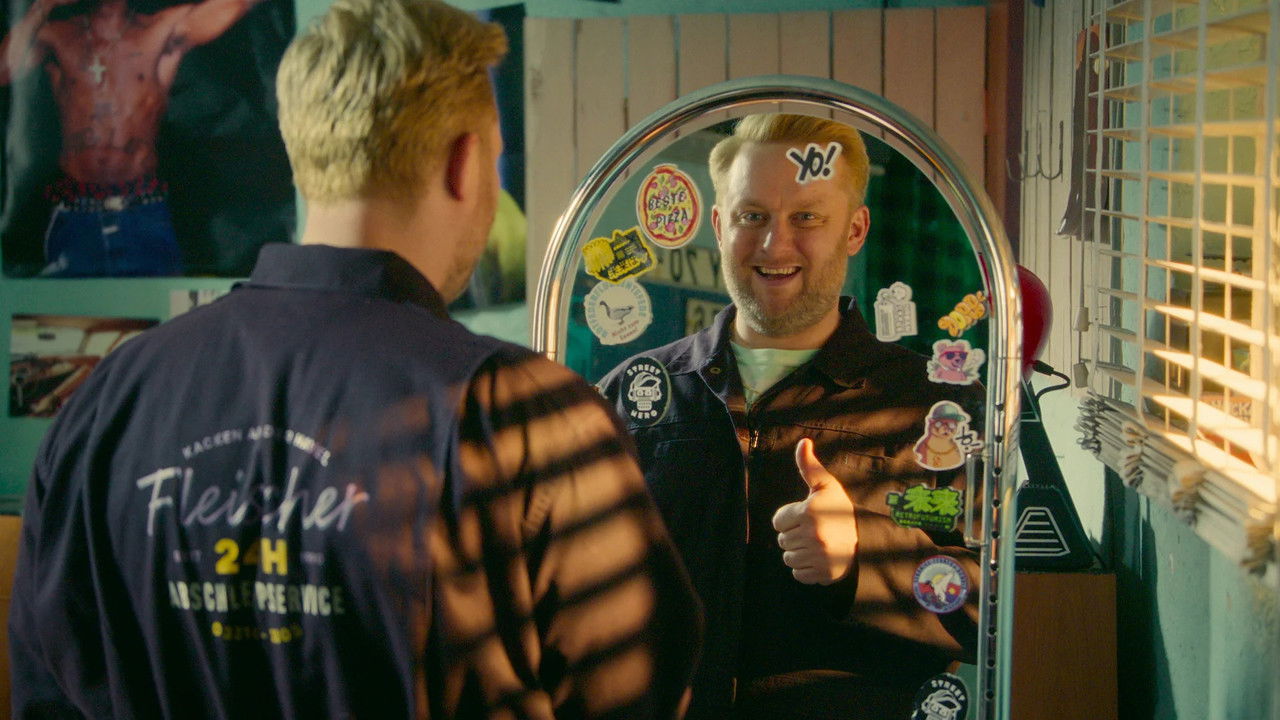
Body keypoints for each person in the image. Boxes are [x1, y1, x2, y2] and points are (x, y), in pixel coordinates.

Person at [9, 1, 700, 717]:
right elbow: (635, 698)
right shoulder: (525, 416)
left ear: (305, 155)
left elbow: (45, 693)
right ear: (466, 162)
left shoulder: (111, 397)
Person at [598, 114, 985, 720]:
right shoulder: (635, 394)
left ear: (855, 229)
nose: (775, 246)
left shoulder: (936, 407)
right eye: (752, 216)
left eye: (806, 217)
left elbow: (998, 608)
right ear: (719, 226)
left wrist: (863, 556)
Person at [0, 0, 268, 276]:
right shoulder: (59, 35)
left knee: (155, 302)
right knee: (70, 302)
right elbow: (4, 71)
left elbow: (237, 4)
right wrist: (43, 6)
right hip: (75, 214)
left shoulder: (161, 31)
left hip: (142, 213)